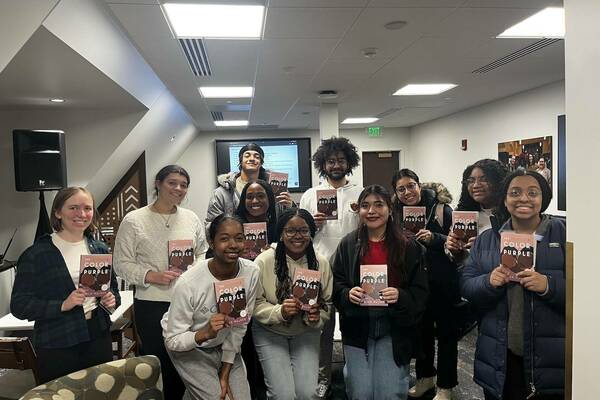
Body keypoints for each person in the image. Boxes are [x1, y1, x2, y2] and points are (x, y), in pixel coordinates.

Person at [461, 170, 565, 400]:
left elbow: (587, 293)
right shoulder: (487, 239)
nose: (524, 199)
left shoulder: (564, 235)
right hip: (500, 355)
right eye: (515, 192)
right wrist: (488, 282)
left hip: (550, 359)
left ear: (543, 198)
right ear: (505, 200)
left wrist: (548, 285)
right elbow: (467, 286)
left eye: (533, 192)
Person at [113, 165, 208, 400]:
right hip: (151, 303)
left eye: (184, 185)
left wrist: (192, 273)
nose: (178, 188)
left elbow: (202, 253)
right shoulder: (134, 220)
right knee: (160, 359)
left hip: (187, 302)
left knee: (186, 358)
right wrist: (150, 275)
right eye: (172, 182)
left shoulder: (191, 218)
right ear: (158, 183)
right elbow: (121, 263)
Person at [11, 187, 120, 383]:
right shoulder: (35, 254)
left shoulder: (99, 249)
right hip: (58, 340)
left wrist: (111, 299)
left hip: (98, 335)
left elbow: (113, 291)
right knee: (62, 394)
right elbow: (19, 305)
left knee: (100, 391)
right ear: (57, 212)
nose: (81, 214)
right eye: (73, 207)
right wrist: (63, 304)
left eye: (87, 208)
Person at [332, 185, 428, 400]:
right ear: (359, 211)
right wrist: (347, 294)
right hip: (357, 326)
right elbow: (335, 283)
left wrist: (401, 296)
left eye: (378, 204)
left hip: (393, 327)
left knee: (388, 392)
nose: (371, 211)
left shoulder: (408, 246)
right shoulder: (348, 243)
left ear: (390, 209)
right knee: (361, 392)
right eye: (365, 205)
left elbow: (421, 292)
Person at [162, 214, 260, 400]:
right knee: (216, 397)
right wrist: (204, 333)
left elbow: (240, 325)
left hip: (224, 344)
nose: (233, 244)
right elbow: (173, 339)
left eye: (239, 238)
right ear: (211, 242)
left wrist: (225, 370)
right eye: (224, 238)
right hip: (188, 346)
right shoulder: (189, 282)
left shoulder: (251, 272)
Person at [299, 136, 363, 398]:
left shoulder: (360, 193)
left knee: (353, 325)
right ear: (322, 165)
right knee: (320, 329)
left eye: (340, 160)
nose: (336, 165)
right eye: (330, 161)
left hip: (352, 271)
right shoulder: (310, 195)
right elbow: (299, 235)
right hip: (319, 270)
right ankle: (322, 378)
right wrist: (312, 225)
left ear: (349, 162)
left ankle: (354, 377)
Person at [391, 170, 459, 400]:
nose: (407, 192)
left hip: (443, 281)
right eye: (401, 189)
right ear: (396, 193)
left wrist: (435, 239)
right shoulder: (395, 214)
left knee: (447, 335)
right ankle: (425, 378)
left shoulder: (441, 209)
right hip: (415, 283)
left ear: (419, 185)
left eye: (411, 186)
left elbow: (457, 242)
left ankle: (446, 385)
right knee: (421, 333)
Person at [252, 209, 333, 400]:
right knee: (283, 394)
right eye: (290, 231)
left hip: (306, 331)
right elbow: (254, 303)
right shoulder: (263, 261)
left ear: (312, 233)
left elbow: (327, 302)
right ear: (281, 233)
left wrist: (317, 316)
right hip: (270, 332)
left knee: (307, 393)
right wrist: (279, 311)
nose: (298, 236)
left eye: (304, 231)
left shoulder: (321, 263)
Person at [206, 143, 293, 229]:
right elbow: (212, 226)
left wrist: (290, 207)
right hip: (235, 241)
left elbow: (288, 221)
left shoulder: (276, 187)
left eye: (256, 156)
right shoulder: (222, 192)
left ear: (261, 163)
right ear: (240, 161)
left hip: (271, 240)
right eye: (247, 156)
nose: (252, 159)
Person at [446, 159, 508, 262]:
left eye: (483, 179)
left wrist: (484, 249)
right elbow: (457, 259)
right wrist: (452, 248)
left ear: (499, 182)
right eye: (471, 181)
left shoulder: (512, 215)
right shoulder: (464, 213)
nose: (475, 185)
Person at [235, 179, 279, 246]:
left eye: (260, 196)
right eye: (249, 197)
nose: (254, 201)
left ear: (269, 199)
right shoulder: (234, 226)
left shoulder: (277, 227)